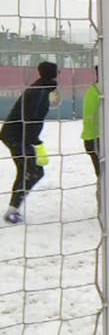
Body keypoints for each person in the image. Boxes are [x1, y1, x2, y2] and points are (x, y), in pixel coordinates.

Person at [1, 62, 58, 224]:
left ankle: (13, 209)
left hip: (19, 136)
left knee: (30, 171)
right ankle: (12, 211)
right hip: (16, 136)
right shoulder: (38, 91)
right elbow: (30, 117)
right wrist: (33, 141)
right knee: (32, 171)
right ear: (53, 74)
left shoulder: (41, 89)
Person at [81, 66, 100, 177]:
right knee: (106, 174)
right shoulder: (104, 90)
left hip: (89, 138)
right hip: (99, 138)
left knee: (101, 173)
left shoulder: (92, 89)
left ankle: (102, 190)